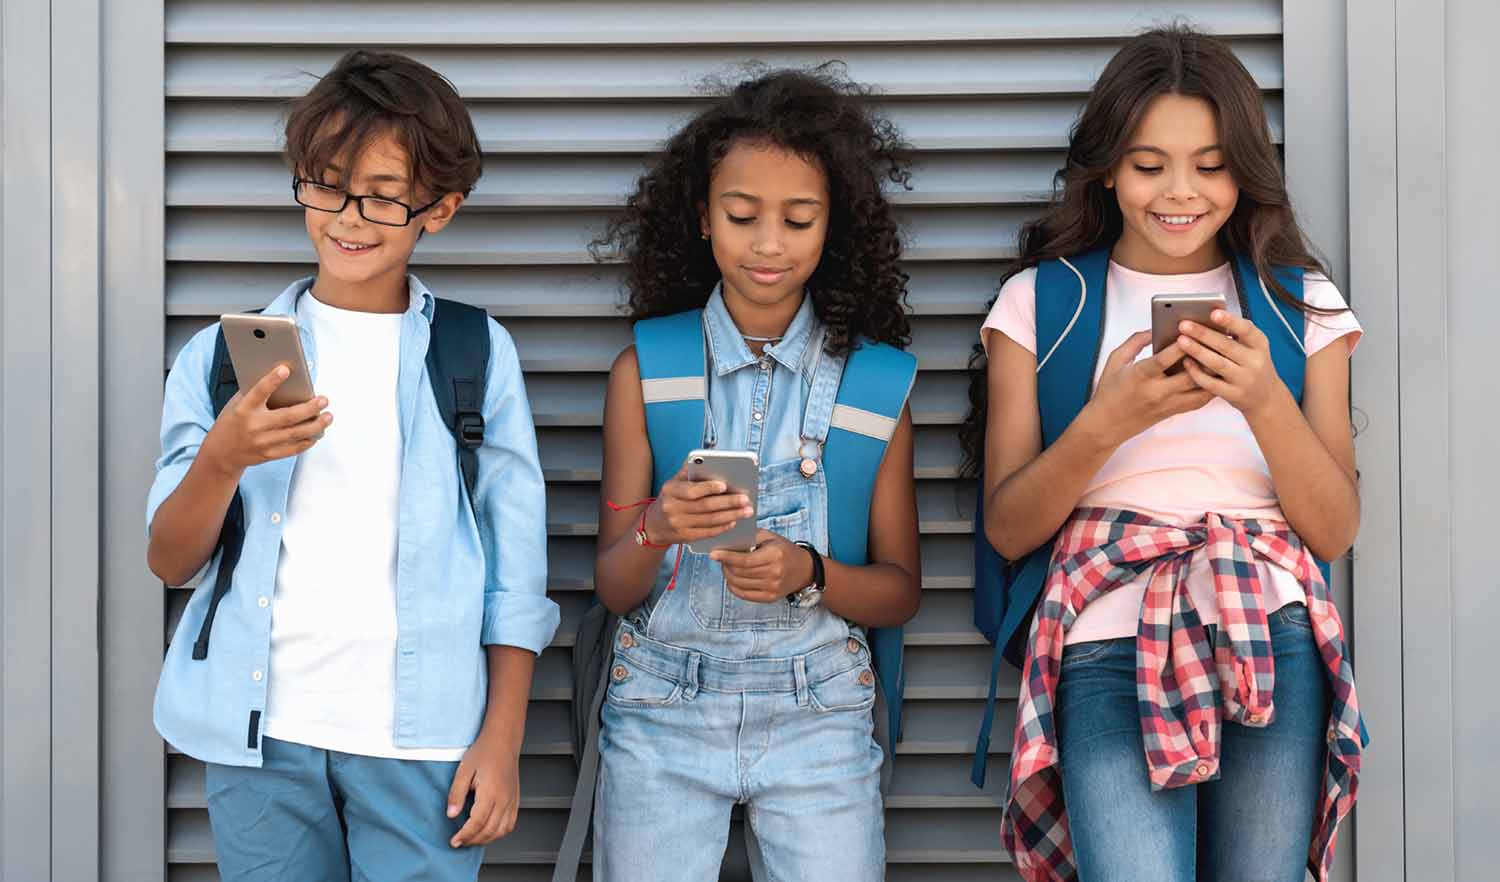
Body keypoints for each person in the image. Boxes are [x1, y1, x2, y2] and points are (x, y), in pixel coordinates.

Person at [964, 26, 1366, 882]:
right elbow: (1007, 527)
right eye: (1149, 165)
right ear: (1107, 168)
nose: (1180, 191)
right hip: (1106, 640)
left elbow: (1332, 530)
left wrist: (1263, 398)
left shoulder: (1302, 303)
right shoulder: (1039, 303)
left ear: (1246, 168)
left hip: (1273, 635)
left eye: (1211, 164)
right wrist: (1108, 421)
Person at [145, 49, 558, 882]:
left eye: (382, 194)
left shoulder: (474, 353)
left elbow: (517, 569)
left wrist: (503, 739)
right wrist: (223, 457)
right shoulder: (221, 358)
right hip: (262, 737)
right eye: (326, 184)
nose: (348, 214)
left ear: (438, 208)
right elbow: (169, 558)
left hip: (425, 743)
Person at [587, 66, 922, 881]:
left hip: (822, 714)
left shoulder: (875, 387)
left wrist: (807, 573)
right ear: (702, 219)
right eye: (742, 216)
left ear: (831, 226)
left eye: (798, 219)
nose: (768, 243)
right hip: (661, 709)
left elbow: (900, 590)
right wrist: (657, 526)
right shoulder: (650, 370)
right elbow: (613, 585)